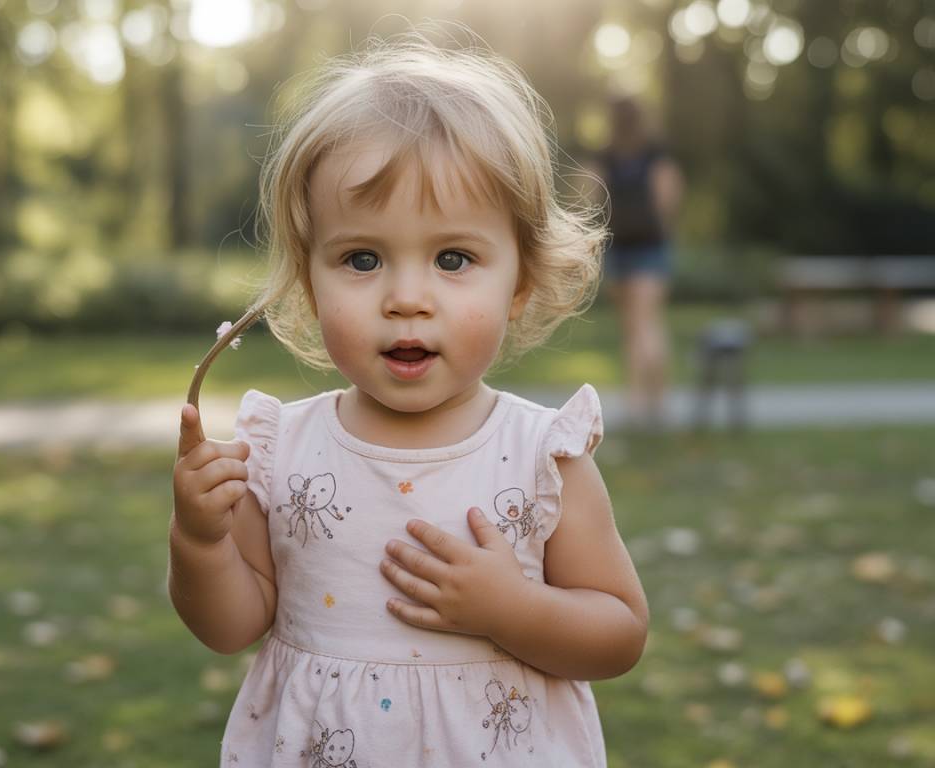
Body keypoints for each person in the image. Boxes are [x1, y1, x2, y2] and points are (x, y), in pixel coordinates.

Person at [170, 31, 648, 767]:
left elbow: (619, 633)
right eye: (362, 258)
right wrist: (199, 543)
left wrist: (511, 609)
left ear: (519, 282)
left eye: (453, 258)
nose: (406, 298)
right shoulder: (282, 449)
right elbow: (232, 627)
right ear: (308, 280)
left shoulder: (541, 456)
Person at [590, 96, 684, 429]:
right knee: (648, 323)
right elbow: (668, 200)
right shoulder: (656, 155)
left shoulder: (607, 157)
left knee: (634, 327)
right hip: (650, 248)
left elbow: (590, 197)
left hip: (618, 248)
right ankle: (655, 402)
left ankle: (637, 402)